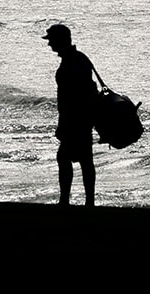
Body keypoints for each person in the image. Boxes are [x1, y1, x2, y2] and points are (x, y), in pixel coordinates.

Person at [44, 23, 97, 206]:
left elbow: (72, 97)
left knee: (67, 158)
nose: (49, 44)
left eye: (51, 40)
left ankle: (66, 201)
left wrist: (65, 123)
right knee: (84, 159)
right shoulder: (80, 58)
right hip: (83, 119)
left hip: (75, 119)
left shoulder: (71, 62)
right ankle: (88, 201)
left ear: (61, 40)